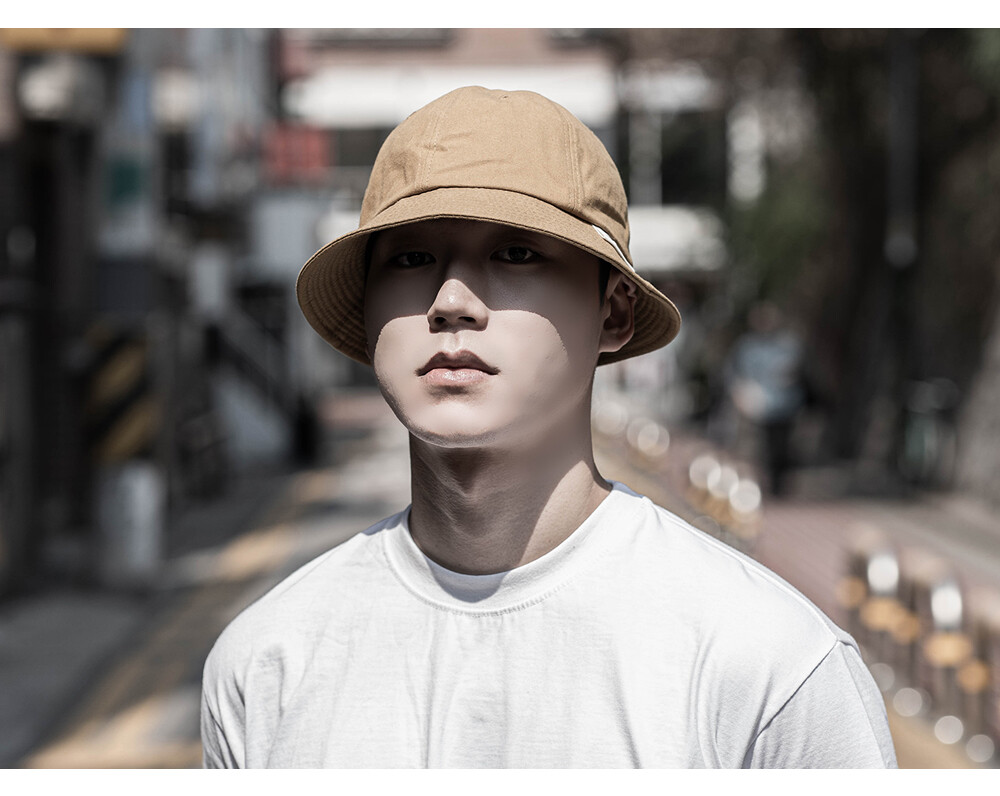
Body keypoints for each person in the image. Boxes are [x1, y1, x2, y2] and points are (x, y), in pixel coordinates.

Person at [200, 86, 897, 768]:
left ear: (613, 313)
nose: (451, 300)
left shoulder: (767, 667)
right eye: (410, 259)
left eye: (516, 254)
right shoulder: (263, 666)